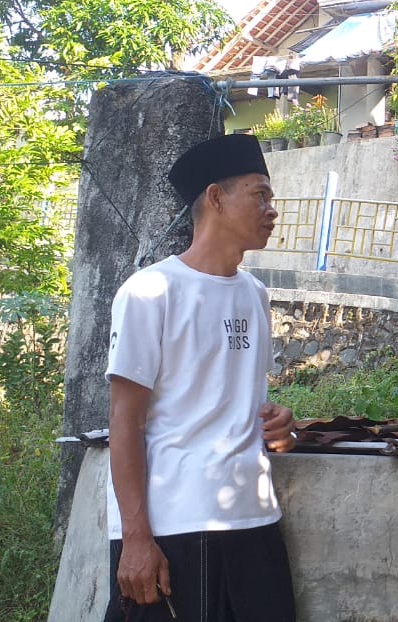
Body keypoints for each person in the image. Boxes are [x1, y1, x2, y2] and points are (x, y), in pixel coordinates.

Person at [104, 133, 298, 622]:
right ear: (215, 197)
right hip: (175, 526)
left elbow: (238, 400)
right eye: (259, 195)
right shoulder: (151, 290)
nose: (271, 210)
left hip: (253, 517)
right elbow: (125, 421)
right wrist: (136, 538)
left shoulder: (255, 294)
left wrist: (278, 422)